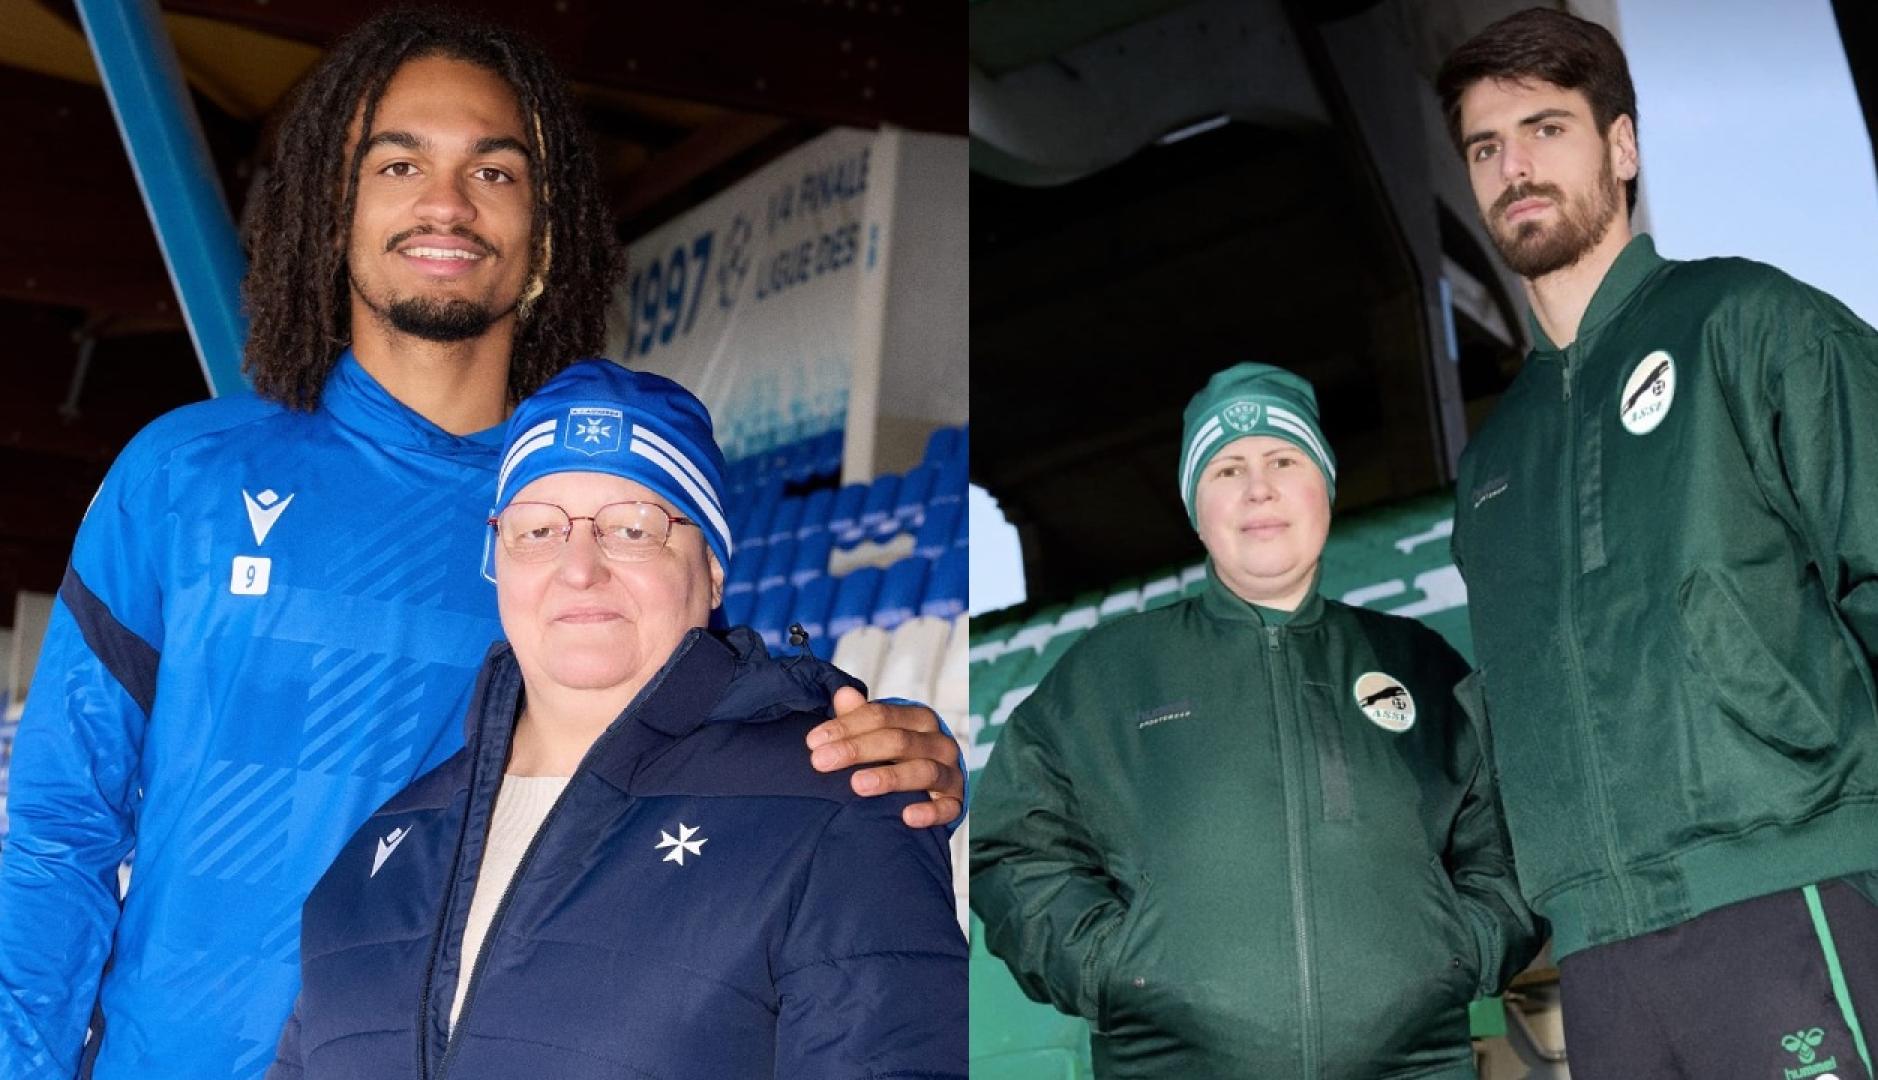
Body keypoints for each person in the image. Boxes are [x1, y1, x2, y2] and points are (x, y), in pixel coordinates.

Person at [0, 11, 962, 1080]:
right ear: (335, 207)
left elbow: (715, 742)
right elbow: (58, 825)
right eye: (400, 162)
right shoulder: (183, 475)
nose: (446, 203)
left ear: (546, 233)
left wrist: (886, 753)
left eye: (495, 172)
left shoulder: (588, 525)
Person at [266, 360, 966, 1079]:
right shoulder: (380, 850)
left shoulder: (834, 807)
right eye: (538, 530)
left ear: (714, 566)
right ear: (496, 559)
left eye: (633, 527)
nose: (578, 567)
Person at [1437, 9, 1878, 1077]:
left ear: (1622, 149)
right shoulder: (1493, 467)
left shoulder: (1749, 322)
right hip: (1600, 961)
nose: (1515, 168)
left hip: (1787, 895)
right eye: (1487, 148)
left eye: (1547, 129)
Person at [970, 362, 1539, 1078]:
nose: (1258, 487)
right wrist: (1108, 968)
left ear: (1323, 487)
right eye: (1226, 469)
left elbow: (1510, 837)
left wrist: (1467, 947)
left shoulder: (1420, 663)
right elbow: (1015, 849)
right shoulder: (1109, 674)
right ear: (1197, 510)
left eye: (1283, 458)